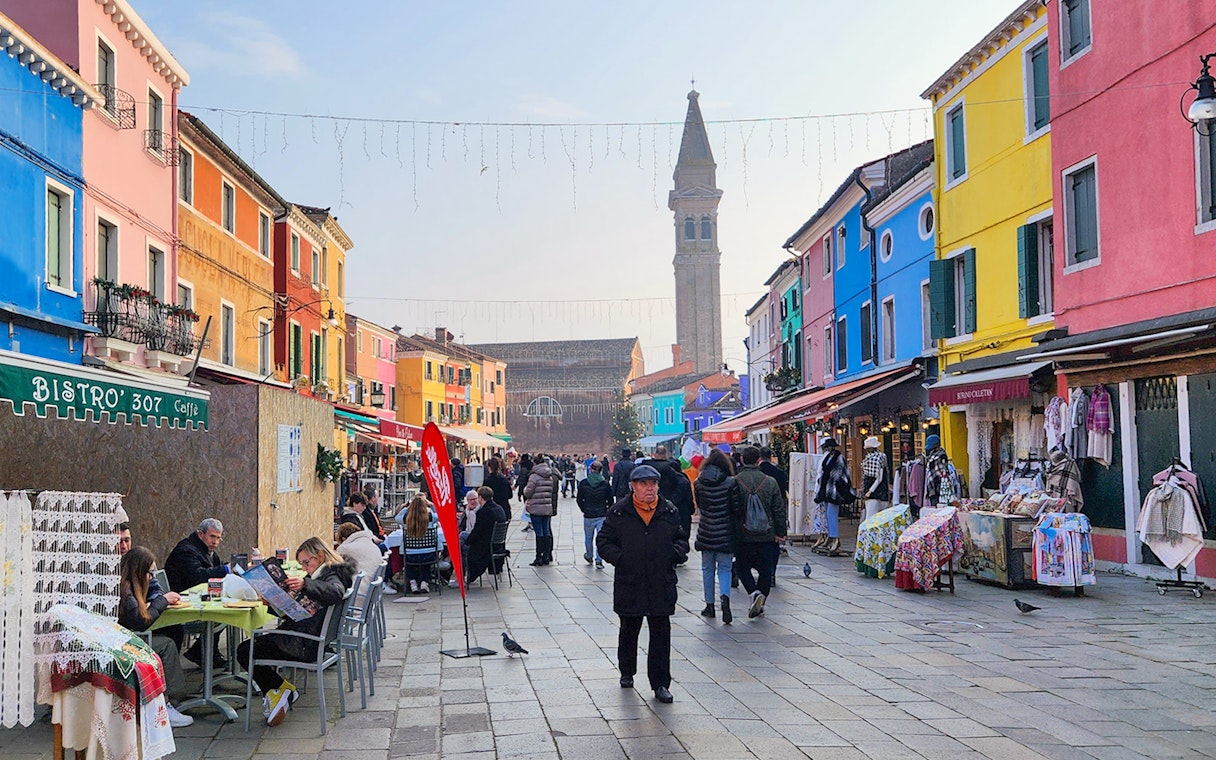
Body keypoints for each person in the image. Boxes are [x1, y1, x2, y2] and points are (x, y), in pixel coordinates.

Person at [236, 537, 354, 726]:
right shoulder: (326, 574)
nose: (305, 568)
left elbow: (335, 592)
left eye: (307, 563)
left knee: (245, 650)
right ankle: (281, 690)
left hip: (304, 644)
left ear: (321, 556)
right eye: (302, 564)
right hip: (308, 640)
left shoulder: (332, 576)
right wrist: (273, 603)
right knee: (252, 647)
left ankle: (280, 690)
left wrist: (305, 585)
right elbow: (299, 609)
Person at [597, 464, 688, 704]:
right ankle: (627, 671)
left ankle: (660, 683)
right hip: (631, 581)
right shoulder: (619, 512)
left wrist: (674, 554)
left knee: (661, 633)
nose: (650, 489)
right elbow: (604, 541)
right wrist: (621, 559)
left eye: (653, 484)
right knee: (629, 629)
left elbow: (681, 538)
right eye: (644, 484)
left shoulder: (668, 511)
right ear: (634, 487)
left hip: (661, 581)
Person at [117, 546, 194, 728]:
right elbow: (139, 622)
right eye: (149, 573)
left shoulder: (126, 585)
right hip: (126, 642)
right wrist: (163, 601)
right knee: (166, 645)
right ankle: (165, 703)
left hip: (125, 636)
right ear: (140, 571)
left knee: (172, 632)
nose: (151, 577)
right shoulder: (126, 590)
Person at [692, 449, 744, 623]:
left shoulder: (699, 482)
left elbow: (699, 505)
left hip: (706, 531)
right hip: (725, 532)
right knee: (725, 569)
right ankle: (725, 599)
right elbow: (736, 509)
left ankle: (709, 605)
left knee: (707, 569)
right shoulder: (730, 482)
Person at [734, 446, 786, 618]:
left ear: (742, 459)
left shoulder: (735, 481)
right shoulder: (769, 482)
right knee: (765, 570)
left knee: (742, 567)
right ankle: (761, 598)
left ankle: (753, 592)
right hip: (767, 533)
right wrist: (781, 532)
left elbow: (732, 509)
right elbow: (778, 509)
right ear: (758, 460)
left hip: (743, 534)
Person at [643, 446, 695, 545]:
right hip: (679, 512)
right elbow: (688, 499)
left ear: (655, 454)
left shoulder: (647, 472)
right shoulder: (681, 479)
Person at [813, 438, 855, 554]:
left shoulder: (839, 458)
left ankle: (835, 538)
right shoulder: (827, 457)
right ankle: (830, 537)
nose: (828, 449)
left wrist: (836, 484)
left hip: (835, 490)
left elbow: (841, 474)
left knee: (832, 515)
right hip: (826, 490)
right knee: (827, 515)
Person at [463, 486, 507, 585]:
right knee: (463, 536)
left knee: (462, 541)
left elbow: (477, 531)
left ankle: (460, 573)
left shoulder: (484, 512)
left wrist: (467, 541)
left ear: (481, 498)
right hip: (497, 544)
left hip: (486, 545)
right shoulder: (499, 508)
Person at [576, 460, 613, 568]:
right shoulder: (605, 483)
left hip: (588, 514)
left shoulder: (584, 483)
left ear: (591, 469)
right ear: (601, 471)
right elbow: (610, 500)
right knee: (600, 538)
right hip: (601, 514)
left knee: (588, 537)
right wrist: (606, 509)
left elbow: (579, 499)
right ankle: (599, 559)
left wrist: (584, 509)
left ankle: (589, 555)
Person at [524, 455, 558, 566]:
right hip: (547, 507)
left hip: (536, 508)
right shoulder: (549, 475)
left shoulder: (534, 477)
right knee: (546, 531)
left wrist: (524, 489)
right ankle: (547, 556)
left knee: (539, 533)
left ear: (535, 463)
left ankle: (539, 557)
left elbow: (528, 492)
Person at [402, 496, 440, 594]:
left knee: (409, 560)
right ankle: (424, 582)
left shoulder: (406, 519)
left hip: (410, 554)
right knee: (425, 561)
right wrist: (431, 505)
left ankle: (412, 582)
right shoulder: (431, 518)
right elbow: (438, 515)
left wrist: (407, 507)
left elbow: (397, 517)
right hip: (428, 554)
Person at [861, 436, 891, 522]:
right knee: (881, 520)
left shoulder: (874, 459)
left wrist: (869, 491)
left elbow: (878, 478)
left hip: (873, 493)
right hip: (883, 492)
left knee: (870, 519)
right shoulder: (882, 456)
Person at [922, 434, 956, 508]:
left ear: (936, 444)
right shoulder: (932, 455)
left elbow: (942, 472)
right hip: (933, 487)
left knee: (939, 508)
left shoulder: (941, 455)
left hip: (940, 488)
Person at [484, 456, 514, 520]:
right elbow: (510, 495)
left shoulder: (487, 481)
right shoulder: (504, 479)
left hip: (491, 513)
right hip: (505, 511)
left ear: (489, 467)